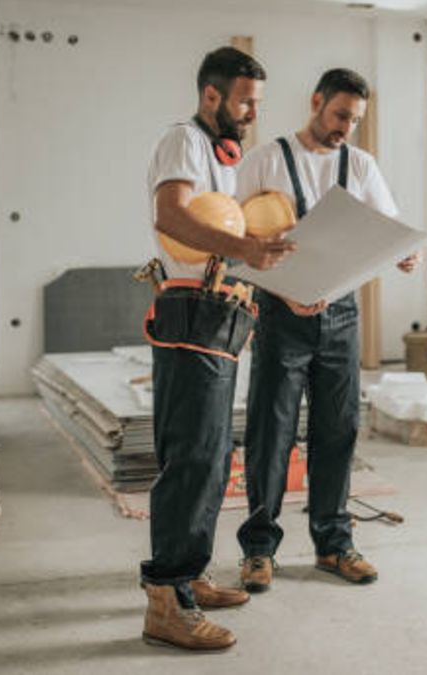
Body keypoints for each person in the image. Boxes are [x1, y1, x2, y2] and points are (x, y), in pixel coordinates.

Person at [234, 68, 419, 592]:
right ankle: (258, 550)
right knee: (272, 433)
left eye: (355, 120)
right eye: (340, 115)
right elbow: (233, 240)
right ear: (315, 101)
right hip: (280, 314)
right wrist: (279, 288)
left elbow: (389, 229)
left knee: (338, 430)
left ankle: (334, 545)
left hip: (341, 317)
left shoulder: (360, 165)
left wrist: (405, 254)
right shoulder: (266, 160)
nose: (346, 128)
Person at [138, 46, 293, 651]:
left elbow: (227, 228)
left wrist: (261, 250)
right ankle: (166, 601)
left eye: (257, 101)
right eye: (245, 101)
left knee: (212, 458)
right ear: (212, 96)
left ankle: (191, 577)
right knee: (192, 459)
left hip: (221, 308)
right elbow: (172, 217)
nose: (253, 112)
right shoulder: (183, 139)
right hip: (189, 308)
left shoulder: (224, 158)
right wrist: (247, 253)